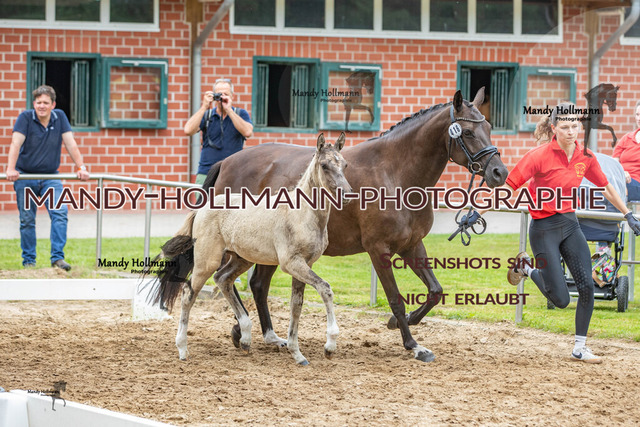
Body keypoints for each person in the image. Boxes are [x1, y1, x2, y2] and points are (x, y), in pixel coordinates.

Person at [503, 102, 640, 364]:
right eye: (565, 127)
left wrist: (628, 214)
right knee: (561, 299)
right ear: (554, 128)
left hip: (569, 224)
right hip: (543, 229)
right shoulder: (538, 155)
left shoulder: (584, 156)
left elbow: (606, 187)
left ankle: (580, 347)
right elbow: (509, 186)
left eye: (575, 126)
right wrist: (476, 212)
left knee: (587, 286)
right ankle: (526, 267)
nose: (571, 131)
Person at [5, 85, 90, 270]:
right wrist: (10, 169)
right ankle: (29, 262)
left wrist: (81, 167)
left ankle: (57, 259)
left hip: (50, 177)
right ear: (34, 103)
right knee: (27, 220)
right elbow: (15, 144)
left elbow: (71, 144)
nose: (41, 106)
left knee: (60, 213)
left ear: (53, 104)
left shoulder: (60, 117)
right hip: (25, 177)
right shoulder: (25, 118)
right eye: (38, 102)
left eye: (45, 102)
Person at [184, 78, 253, 186]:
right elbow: (188, 130)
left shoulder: (240, 113)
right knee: (203, 197)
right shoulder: (207, 115)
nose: (222, 97)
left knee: (233, 198)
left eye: (226, 94)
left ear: (232, 96)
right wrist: (204, 107)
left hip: (233, 172)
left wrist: (229, 110)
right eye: (219, 94)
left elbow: (248, 132)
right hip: (206, 172)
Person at [613, 100, 640, 201]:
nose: (639, 118)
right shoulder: (627, 138)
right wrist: (621, 173)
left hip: (636, 184)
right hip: (620, 179)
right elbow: (614, 162)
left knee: (616, 188)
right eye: (637, 114)